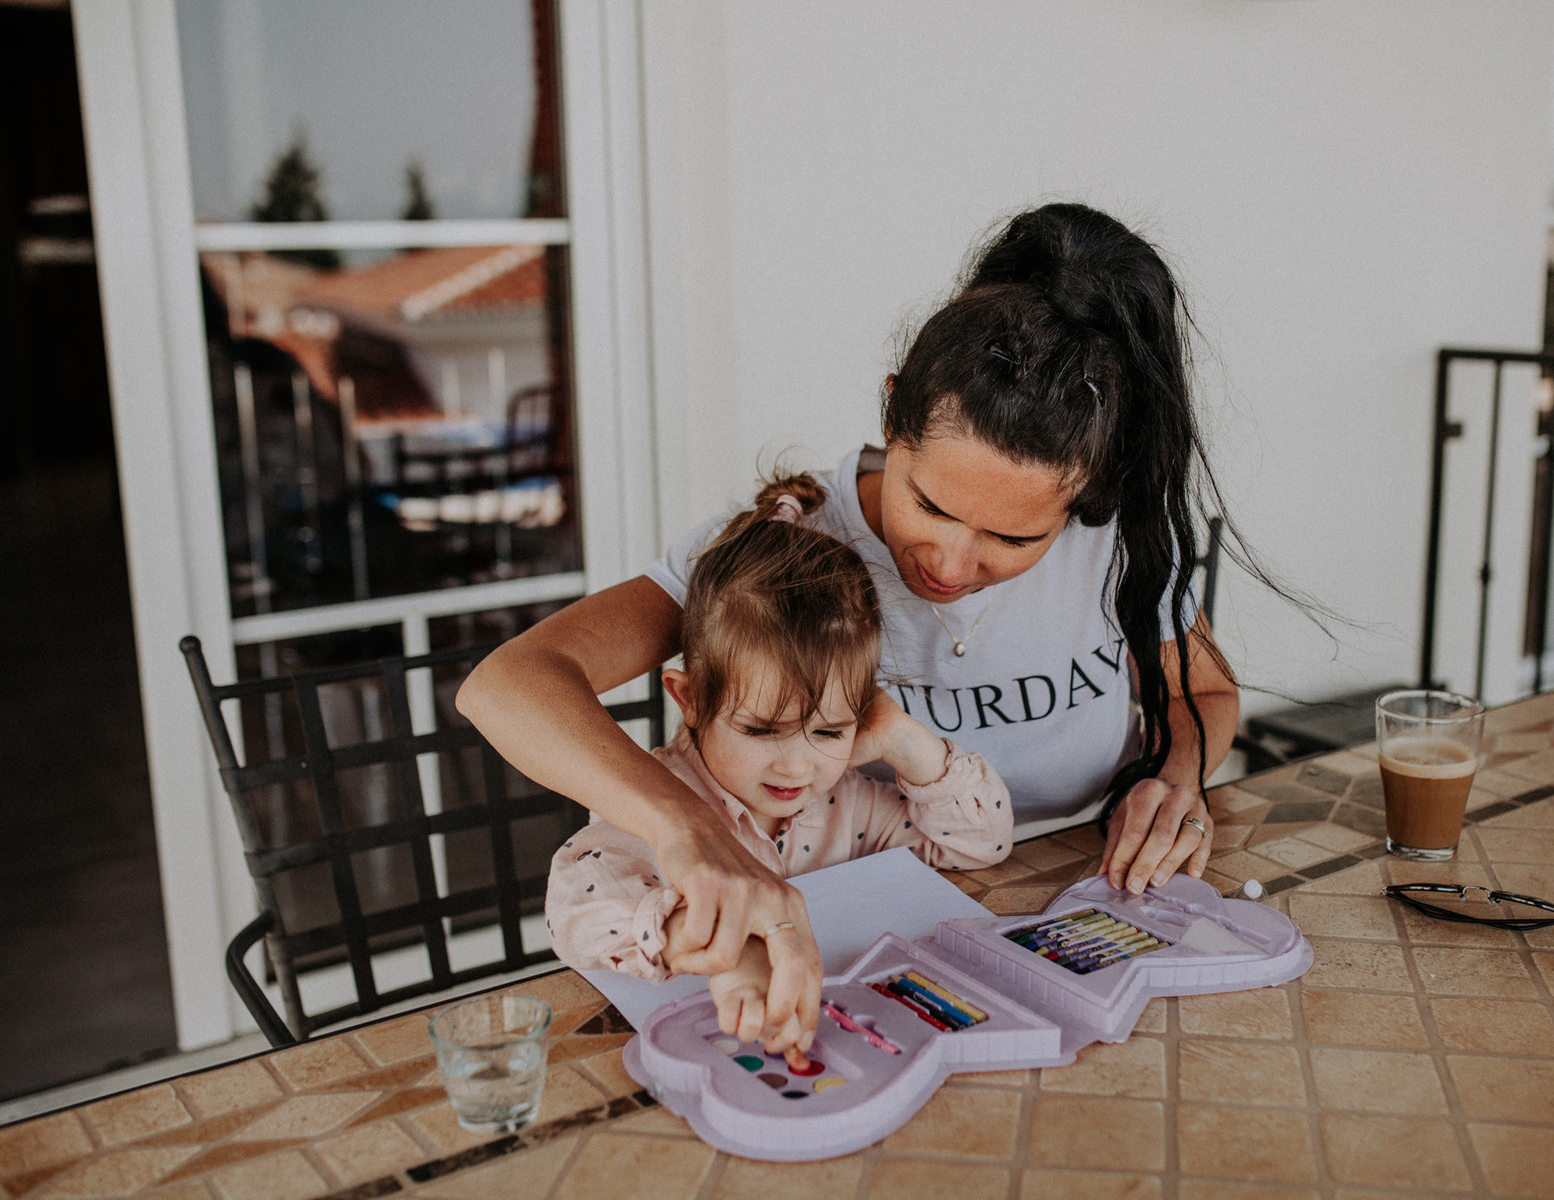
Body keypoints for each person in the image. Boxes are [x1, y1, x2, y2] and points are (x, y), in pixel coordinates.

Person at [459, 202, 1240, 1057]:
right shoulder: (784, 552)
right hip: (883, 948)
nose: (949, 562)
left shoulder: (1113, 535)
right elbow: (510, 685)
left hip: (1086, 905)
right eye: (929, 503)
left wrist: (1178, 775)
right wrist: (692, 832)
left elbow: (1199, 688)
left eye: (1015, 538)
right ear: (892, 415)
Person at [544, 476, 1012, 1060]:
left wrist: (904, 739)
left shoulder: (847, 799)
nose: (798, 764)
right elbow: (574, 906)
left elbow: (980, 844)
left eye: (828, 730)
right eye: (761, 730)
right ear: (689, 699)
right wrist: (726, 943)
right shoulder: (653, 804)